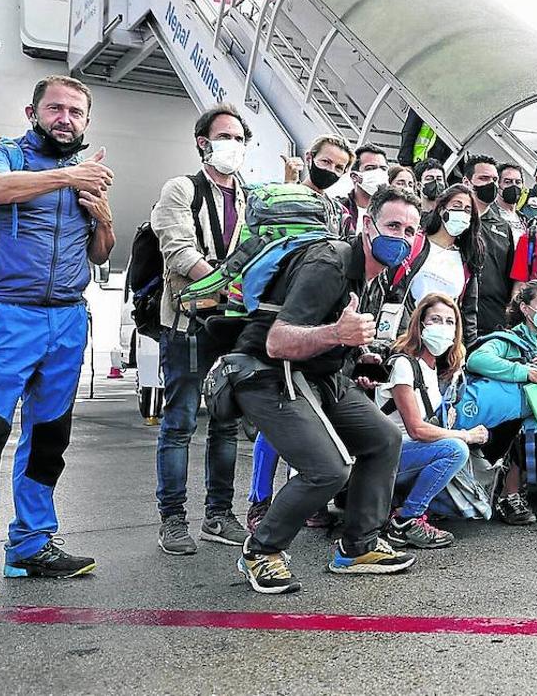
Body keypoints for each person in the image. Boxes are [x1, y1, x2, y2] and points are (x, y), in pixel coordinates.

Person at [231, 185, 417, 595]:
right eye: (392, 225)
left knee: (384, 439)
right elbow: (276, 342)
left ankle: (359, 547)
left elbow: (341, 338)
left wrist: (358, 355)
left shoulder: (377, 278)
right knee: (329, 469)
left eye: (409, 230)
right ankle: (261, 550)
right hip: (267, 373)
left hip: (321, 375)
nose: (400, 237)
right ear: (368, 226)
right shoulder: (329, 263)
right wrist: (337, 333)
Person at [0, 75, 114, 592]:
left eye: (76, 112)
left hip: (66, 318)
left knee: (49, 440)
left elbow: (100, 252)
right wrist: (68, 178)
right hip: (5, 315)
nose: (65, 119)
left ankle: (31, 545)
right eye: (55, 109)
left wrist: (103, 218)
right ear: (32, 112)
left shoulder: (88, 176)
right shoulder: (7, 156)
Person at [152, 103, 250, 556]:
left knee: (226, 423)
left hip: (230, 328)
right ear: (203, 142)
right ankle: (172, 519)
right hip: (188, 325)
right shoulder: (181, 190)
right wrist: (230, 287)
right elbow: (179, 253)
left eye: (240, 139)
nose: (234, 146)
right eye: (226, 136)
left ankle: (218, 514)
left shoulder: (249, 196)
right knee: (180, 423)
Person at [466, 280, 537, 523]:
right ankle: (509, 497)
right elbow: (477, 360)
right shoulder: (508, 340)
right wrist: (525, 372)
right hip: (508, 420)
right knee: (520, 425)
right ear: (525, 308)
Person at [378, 292, 486, 550]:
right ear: (420, 324)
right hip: (385, 458)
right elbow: (416, 429)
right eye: (435, 319)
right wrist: (465, 435)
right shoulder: (404, 364)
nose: (444, 327)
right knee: (455, 449)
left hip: (406, 457)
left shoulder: (434, 368)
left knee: (469, 504)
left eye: (450, 322)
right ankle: (407, 520)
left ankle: (396, 507)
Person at [385, 183, 481, 346]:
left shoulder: (467, 259)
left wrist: (468, 349)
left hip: (441, 340)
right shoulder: (415, 242)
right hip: (403, 334)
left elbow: (468, 310)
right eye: (457, 206)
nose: (462, 213)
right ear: (442, 209)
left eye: (467, 210)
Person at [466, 154, 515, 335]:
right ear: (467, 182)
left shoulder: (503, 226)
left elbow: (511, 275)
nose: (491, 185)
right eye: (483, 178)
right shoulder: (453, 221)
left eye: (495, 180)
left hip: (493, 317)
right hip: (456, 314)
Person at [284, 134, 355, 233]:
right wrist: (289, 187)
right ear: (309, 158)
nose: (331, 170)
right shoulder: (281, 194)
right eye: (325, 161)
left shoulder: (338, 211)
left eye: (338, 168)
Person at [338, 143, 390, 236]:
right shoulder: (339, 210)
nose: (378, 173)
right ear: (355, 176)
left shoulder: (393, 210)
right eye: (370, 168)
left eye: (383, 169)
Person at [496, 162, 529, 241]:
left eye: (518, 182)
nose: (514, 186)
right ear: (498, 184)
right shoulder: (489, 215)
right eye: (508, 182)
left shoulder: (524, 220)